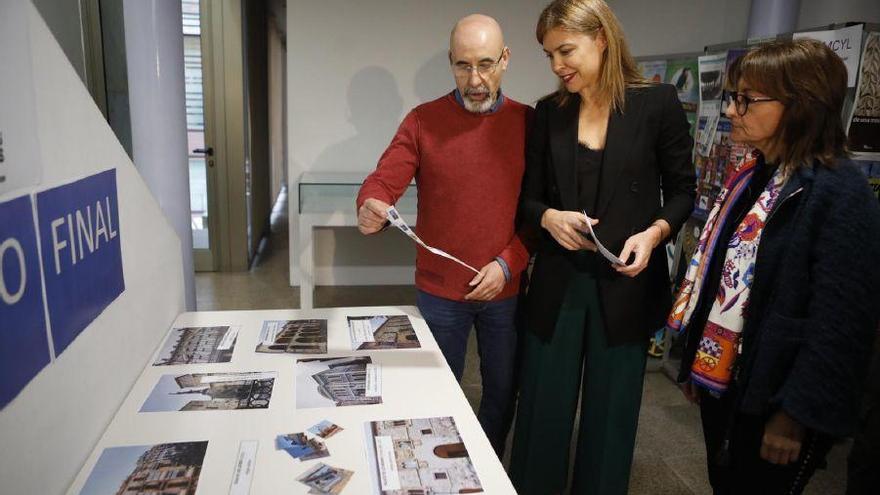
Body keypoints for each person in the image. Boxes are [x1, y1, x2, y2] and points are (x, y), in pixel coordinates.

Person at [668, 39, 880, 494]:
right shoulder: (754, 174)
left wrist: (794, 415)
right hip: (728, 382)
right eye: (732, 96)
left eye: (746, 98)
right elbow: (716, 276)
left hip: (776, 401)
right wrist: (697, 363)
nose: (730, 109)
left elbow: (841, 325)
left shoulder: (840, 193)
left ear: (801, 105)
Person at [509, 0, 695, 493]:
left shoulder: (658, 105)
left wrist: (654, 233)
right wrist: (548, 216)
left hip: (626, 283)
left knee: (611, 416)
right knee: (543, 407)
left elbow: (683, 191)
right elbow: (528, 198)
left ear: (602, 39)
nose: (556, 66)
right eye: (549, 55)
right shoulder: (549, 113)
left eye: (565, 51)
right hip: (559, 281)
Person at [356, 14, 532, 456]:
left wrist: (508, 263)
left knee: (501, 391)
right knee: (436, 390)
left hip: (504, 290)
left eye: (487, 65)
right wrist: (372, 202)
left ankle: (487, 463)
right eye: (463, 66)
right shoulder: (422, 121)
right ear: (451, 62)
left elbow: (539, 212)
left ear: (506, 60)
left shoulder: (530, 124)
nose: (475, 80)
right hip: (439, 292)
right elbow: (385, 178)